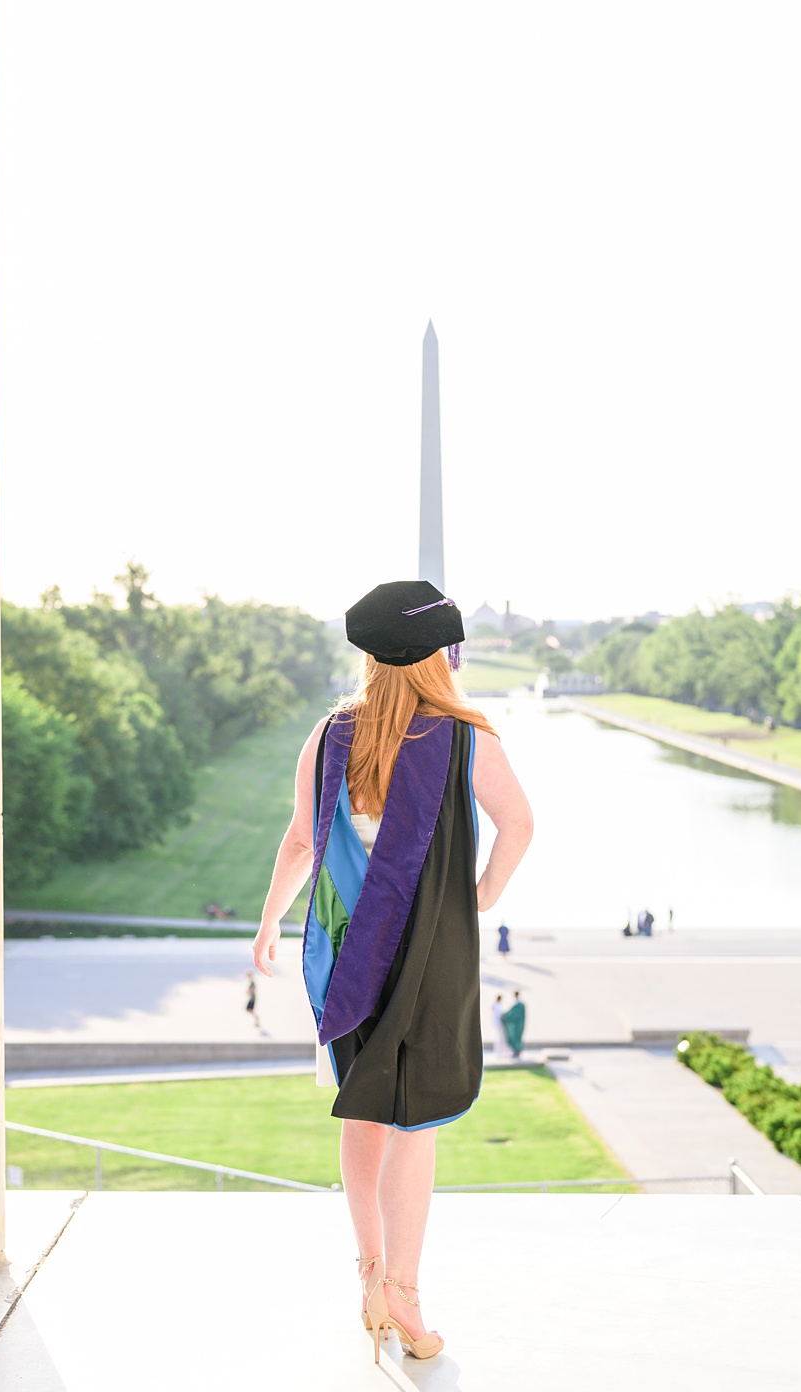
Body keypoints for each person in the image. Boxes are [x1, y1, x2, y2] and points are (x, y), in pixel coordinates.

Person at [251, 581, 534, 1364]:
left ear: (372, 655)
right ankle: (404, 1295)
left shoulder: (331, 736)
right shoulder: (465, 737)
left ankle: (370, 1279)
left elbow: (302, 842)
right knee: (418, 1122)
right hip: (429, 959)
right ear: (442, 657)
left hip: (348, 960)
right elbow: (519, 826)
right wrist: (475, 899)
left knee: (365, 1110)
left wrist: (270, 919)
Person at [502, 990, 528, 1059]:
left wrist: (506, 1017)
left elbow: (513, 1014)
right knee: (515, 1037)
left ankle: (517, 1051)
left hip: (518, 1024)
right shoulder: (517, 1004)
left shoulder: (520, 1005)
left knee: (517, 1037)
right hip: (516, 1024)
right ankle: (515, 1051)